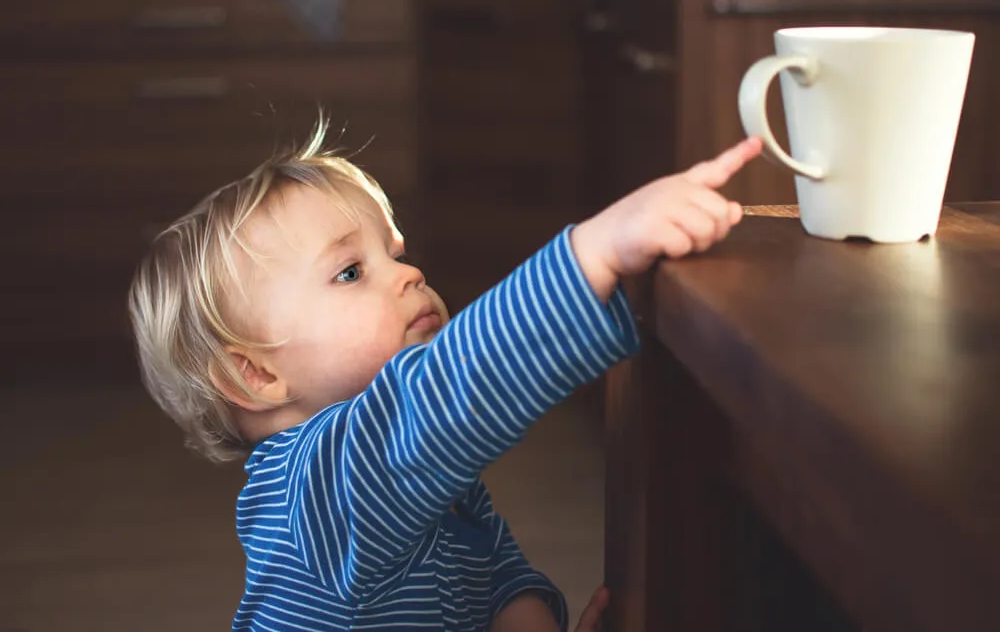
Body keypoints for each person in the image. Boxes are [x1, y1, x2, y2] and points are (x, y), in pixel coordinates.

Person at [128, 117, 762, 632]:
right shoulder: (318, 486)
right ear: (255, 374)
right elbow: (447, 392)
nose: (409, 276)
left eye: (396, 255)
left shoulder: (422, 478)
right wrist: (593, 252)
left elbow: (493, 573)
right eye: (351, 272)